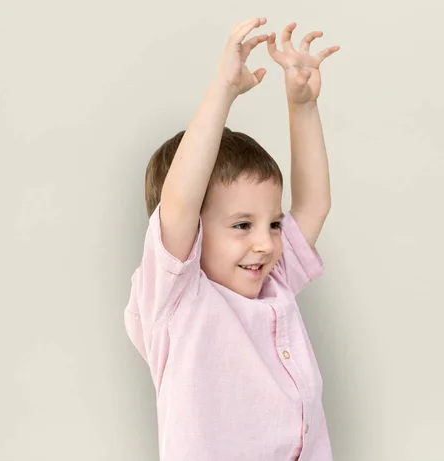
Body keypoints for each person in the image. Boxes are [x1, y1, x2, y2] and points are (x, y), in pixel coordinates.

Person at [124, 17, 340, 460]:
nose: (265, 243)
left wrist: (301, 105)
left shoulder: (273, 281)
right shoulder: (176, 302)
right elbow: (181, 204)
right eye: (242, 225)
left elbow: (314, 205)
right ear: (196, 233)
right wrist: (224, 88)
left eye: (273, 224)